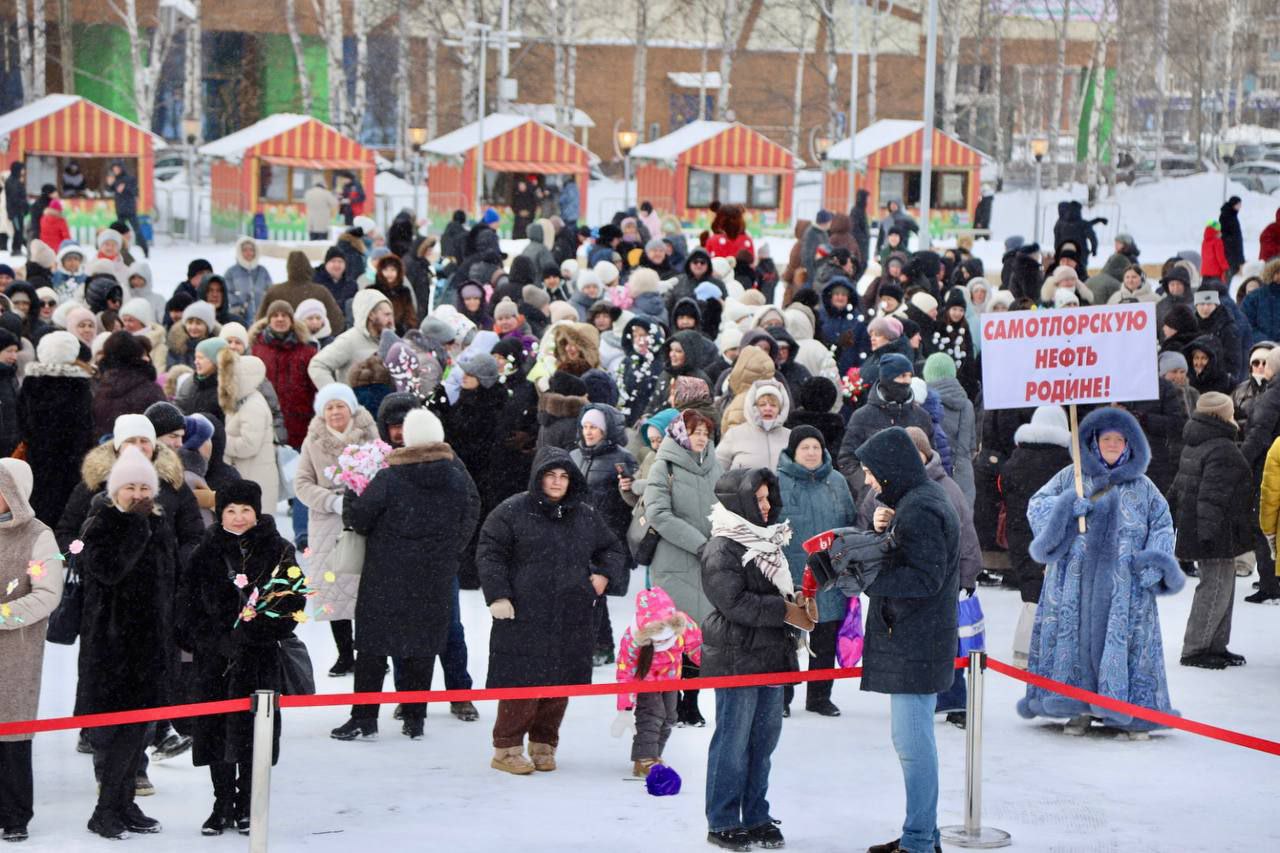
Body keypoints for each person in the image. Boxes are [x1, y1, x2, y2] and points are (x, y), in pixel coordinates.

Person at [1021, 408, 1183, 737]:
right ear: (1094, 442)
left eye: (1118, 439)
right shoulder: (1072, 476)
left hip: (1127, 585)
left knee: (1126, 643)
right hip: (1075, 580)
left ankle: (1132, 713)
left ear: (1129, 444)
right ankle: (1075, 708)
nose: (1112, 444)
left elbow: (1163, 525)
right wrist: (1066, 507)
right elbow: (1037, 504)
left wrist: (1153, 564)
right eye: (1106, 438)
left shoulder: (1145, 487)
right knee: (1074, 638)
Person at [329, 409, 481, 741]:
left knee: (372, 647)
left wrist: (353, 491)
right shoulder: (456, 476)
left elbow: (360, 519)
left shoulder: (390, 478)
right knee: (423, 644)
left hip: (387, 574)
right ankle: (415, 718)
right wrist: (451, 548)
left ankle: (364, 717)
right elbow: (472, 509)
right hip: (434, 574)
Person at [477, 446, 625, 774]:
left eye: (563, 476)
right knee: (523, 684)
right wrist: (498, 595)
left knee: (560, 683)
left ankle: (544, 743)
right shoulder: (512, 511)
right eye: (551, 475)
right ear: (539, 477)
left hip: (571, 613)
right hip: (524, 613)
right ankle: (507, 749)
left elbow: (612, 548)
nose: (557, 482)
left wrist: (602, 577)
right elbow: (490, 551)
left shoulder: (585, 515)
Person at [856, 427, 959, 853]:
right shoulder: (915, 503)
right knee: (912, 745)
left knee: (914, 749)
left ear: (891, 468)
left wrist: (868, 575)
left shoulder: (921, 508)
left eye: (869, 472)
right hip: (917, 638)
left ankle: (918, 842)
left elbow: (924, 577)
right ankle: (922, 835)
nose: (867, 481)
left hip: (917, 641)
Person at [180, 480, 303, 836]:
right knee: (215, 733)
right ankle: (221, 802)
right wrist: (211, 638)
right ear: (219, 513)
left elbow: (292, 602)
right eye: (230, 510)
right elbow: (185, 604)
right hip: (214, 661)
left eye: (245, 510)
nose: (237, 517)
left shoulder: (278, 550)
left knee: (255, 736)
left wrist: (258, 631)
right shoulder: (204, 551)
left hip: (258, 660)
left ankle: (249, 802)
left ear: (257, 511)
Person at [701, 467, 810, 852]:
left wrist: (799, 599)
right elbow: (732, 602)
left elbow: (772, 592)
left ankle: (757, 814)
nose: (765, 505)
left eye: (767, 498)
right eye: (758, 498)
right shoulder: (722, 546)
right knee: (733, 742)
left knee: (763, 742)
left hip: (772, 654)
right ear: (740, 501)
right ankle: (724, 819)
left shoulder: (769, 542)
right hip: (736, 655)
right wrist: (783, 610)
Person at [76, 447, 173, 838]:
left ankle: (124, 804)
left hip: (150, 646)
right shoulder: (101, 523)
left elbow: (169, 579)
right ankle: (104, 810)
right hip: (112, 650)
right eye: (129, 486)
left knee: (139, 732)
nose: (137, 494)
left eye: (143, 487)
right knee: (117, 733)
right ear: (115, 489)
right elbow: (108, 571)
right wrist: (136, 527)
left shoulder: (157, 524)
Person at [0, 458, 63, 844]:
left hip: (16, 650)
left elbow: (46, 593)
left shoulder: (39, 536)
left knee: (12, 733)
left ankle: (15, 813)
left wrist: (4, 615)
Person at [295, 383, 379, 676]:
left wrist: (365, 498)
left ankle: (370, 652)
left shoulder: (369, 435)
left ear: (351, 407)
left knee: (367, 588)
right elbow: (302, 483)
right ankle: (344, 653)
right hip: (327, 521)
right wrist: (331, 501)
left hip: (367, 519)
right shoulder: (313, 441)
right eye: (329, 407)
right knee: (333, 589)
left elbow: (383, 473)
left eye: (339, 406)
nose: (335, 412)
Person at [776, 425, 856, 717]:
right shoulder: (778, 481)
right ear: (793, 452)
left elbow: (849, 522)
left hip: (828, 572)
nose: (811, 453)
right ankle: (782, 697)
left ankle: (820, 696)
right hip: (790, 572)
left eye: (815, 447)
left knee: (825, 636)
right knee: (786, 638)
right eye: (804, 448)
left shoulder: (836, 481)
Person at [1172, 392, 1253, 669]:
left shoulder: (1198, 442)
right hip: (1214, 532)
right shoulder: (1220, 447)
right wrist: (1208, 536)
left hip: (1206, 528)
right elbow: (1211, 496)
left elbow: (1181, 488)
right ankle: (1196, 648)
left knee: (1223, 587)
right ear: (1222, 415)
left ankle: (1216, 643)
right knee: (1215, 587)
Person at [998, 406, 1073, 667]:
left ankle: (1023, 651)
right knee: (1057, 591)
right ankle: (1050, 650)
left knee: (1031, 590)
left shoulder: (1015, 459)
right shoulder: (1068, 463)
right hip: (1056, 534)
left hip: (1020, 532)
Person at [18, 331, 96, 525]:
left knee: (40, 510)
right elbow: (86, 426)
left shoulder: (31, 383)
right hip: (72, 459)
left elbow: (22, 422)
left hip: (38, 458)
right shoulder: (79, 385)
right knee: (68, 513)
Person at [307, 289, 394, 388]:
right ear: (371, 315)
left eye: (391, 314)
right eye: (387, 315)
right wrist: (336, 396)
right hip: (356, 402)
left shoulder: (391, 341)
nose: (391, 320)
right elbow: (317, 365)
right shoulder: (349, 340)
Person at [92, 330, 165, 436]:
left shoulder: (100, 391)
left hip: (108, 449)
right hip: (142, 449)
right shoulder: (151, 390)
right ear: (138, 355)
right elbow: (165, 428)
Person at [255, 250, 346, 336]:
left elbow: (260, 323)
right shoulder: (320, 291)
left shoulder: (275, 291)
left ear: (288, 268)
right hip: (317, 345)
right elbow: (337, 322)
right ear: (308, 267)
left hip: (282, 345)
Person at [717, 379, 792, 472]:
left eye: (773, 405)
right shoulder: (734, 434)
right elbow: (717, 469)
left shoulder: (790, 436)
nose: (768, 409)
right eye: (762, 404)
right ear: (753, 408)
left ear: (780, 410)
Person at [108, 163, 148, 256]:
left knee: (137, 231)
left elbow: (135, 191)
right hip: (120, 210)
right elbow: (110, 189)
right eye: (114, 169)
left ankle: (145, 250)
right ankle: (120, 251)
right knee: (119, 233)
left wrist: (125, 188)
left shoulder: (130, 179)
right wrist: (110, 184)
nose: (115, 171)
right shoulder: (116, 179)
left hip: (130, 210)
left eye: (117, 169)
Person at [5, 162, 28, 257]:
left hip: (18, 211)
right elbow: (14, 198)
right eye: (22, 169)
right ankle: (16, 249)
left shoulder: (16, 180)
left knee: (19, 230)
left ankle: (17, 248)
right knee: (18, 230)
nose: (24, 171)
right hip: (15, 212)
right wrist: (24, 204)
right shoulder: (12, 181)